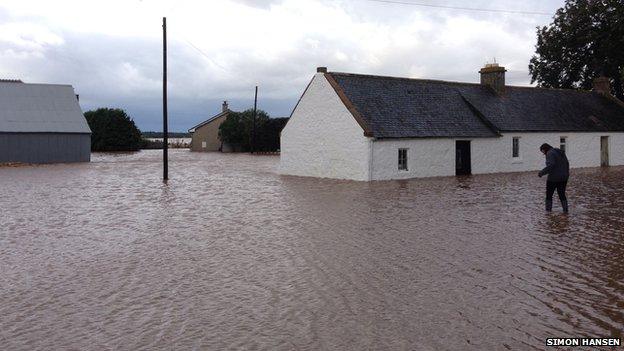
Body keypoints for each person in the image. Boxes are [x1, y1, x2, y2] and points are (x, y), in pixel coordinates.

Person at [538, 143, 569, 213]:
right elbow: (567, 163)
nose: (543, 154)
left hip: (553, 178)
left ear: (545, 149)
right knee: (562, 194)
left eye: (542, 152)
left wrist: (541, 173)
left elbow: (551, 165)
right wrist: (566, 174)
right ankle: (565, 210)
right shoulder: (560, 152)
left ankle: (548, 211)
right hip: (564, 177)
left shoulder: (550, 153)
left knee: (549, 194)